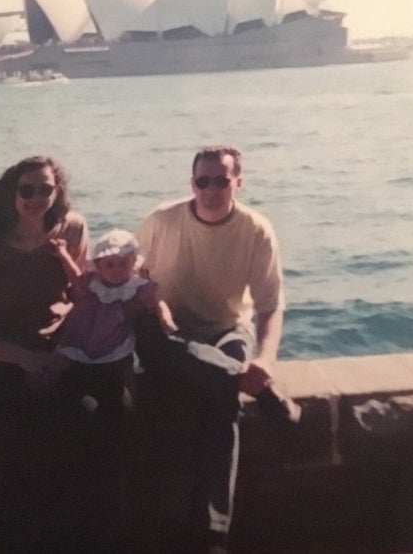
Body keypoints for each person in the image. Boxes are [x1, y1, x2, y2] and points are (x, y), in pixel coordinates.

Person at [133, 144, 300, 554]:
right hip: (168, 332)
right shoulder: (161, 220)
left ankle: (212, 532)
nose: (210, 189)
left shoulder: (255, 228)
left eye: (220, 180)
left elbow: (269, 305)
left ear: (238, 182)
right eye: (202, 181)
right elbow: (132, 278)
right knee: (220, 385)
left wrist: (265, 360)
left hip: (226, 330)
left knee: (222, 393)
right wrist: (151, 301)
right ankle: (214, 534)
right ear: (192, 183)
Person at [0, 155, 100, 549]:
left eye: (45, 189)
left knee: (87, 422)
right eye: (27, 190)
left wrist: (68, 350)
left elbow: (84, 298)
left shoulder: (73, 229)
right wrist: (24, 359)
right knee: (6, 444)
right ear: (11, 194)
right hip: (10, 359)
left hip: (63, 352)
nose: (37, 198)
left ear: (57, 192)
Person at [51, 228, 176, 414]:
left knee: (124, 368)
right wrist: (62, 254)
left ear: (133, 263)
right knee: (64, 360)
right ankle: (47, 386)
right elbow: (74, 277)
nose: (116, 270)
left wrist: (165, 316)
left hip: (115, 336)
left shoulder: (135, 286)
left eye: (123, 264)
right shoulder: (93, 282)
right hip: (84, 333)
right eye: (110, 265)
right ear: (99, 266)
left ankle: (136, 403)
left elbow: (156, 301)